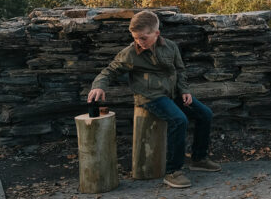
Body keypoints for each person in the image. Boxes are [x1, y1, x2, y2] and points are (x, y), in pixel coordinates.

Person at [87, 10, 220, 189]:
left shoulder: (171, 46)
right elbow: (110, 71)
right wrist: (99, 86)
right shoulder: (130, 54)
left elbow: (180, 70)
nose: (139, 42)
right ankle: (173, 171)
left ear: (156, 33)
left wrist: (184, 90)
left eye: (143, 37)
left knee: (205, 114)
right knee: (179, 120)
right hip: (150, 97)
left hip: (172, 93)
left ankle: (199, 158)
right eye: (135, 38)